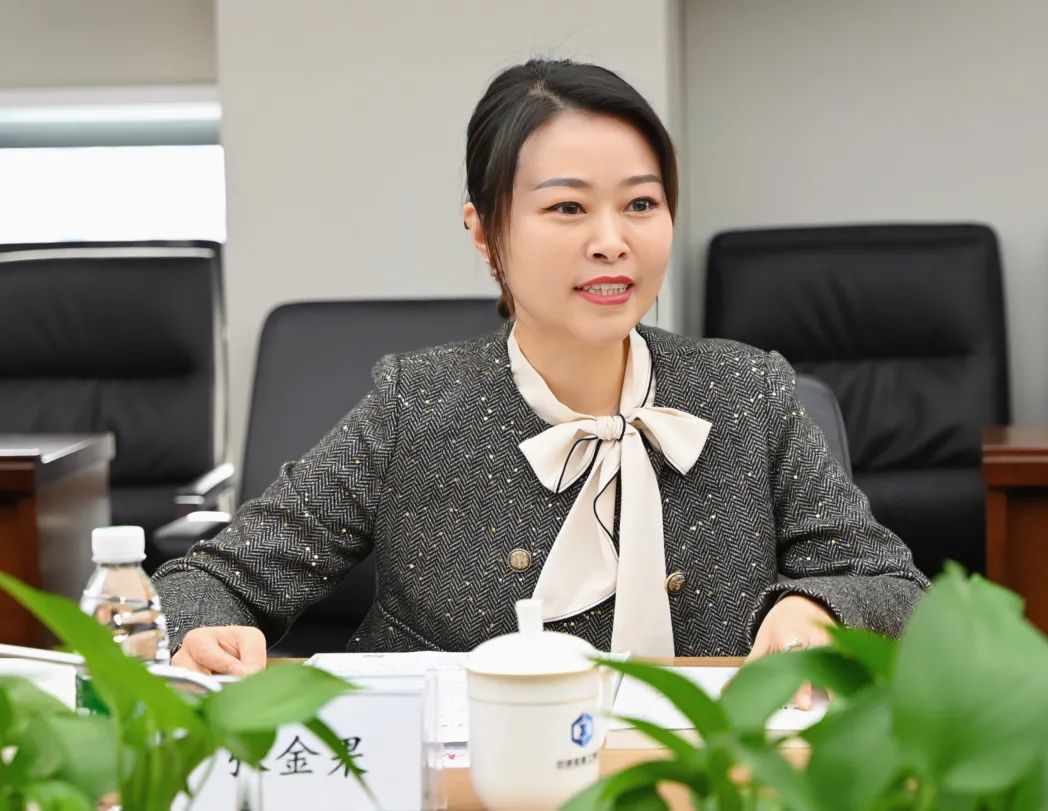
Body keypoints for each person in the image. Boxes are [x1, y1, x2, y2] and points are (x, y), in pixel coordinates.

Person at [153, 59, 929, 693]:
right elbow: (209, 577)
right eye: (567, 209)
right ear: (484, 232)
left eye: (641, 203)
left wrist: (817, 608)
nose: (611, 240)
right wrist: (209, 630)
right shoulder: (412, 406)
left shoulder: (747, 393)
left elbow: (896, 586)